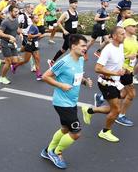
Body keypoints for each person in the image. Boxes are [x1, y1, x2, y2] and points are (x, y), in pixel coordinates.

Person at [41, 34, 92, 169]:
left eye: (85, 46)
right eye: (82, 46)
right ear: (73, 46)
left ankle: (47, 151)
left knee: (64, 129)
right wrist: (61, 85)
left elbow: (76, 77)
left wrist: (85, 81)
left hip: (72, 102)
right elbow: (45, 76)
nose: (85, 48)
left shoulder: (80, 59)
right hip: (62, 103)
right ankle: (56, 152)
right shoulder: (64, 62)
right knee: (76, 133)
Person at [93, 26, 126, 142]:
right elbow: (97, 68)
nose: (124, 35)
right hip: (106, 82)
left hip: (115, 81)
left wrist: (123, 69)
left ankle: (90, 110)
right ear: (115, 36)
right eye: (122, 34)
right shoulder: (108, 49)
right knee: (116, 110)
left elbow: (117, 62)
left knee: (118, 103)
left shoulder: (121, 46)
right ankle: (105, 132)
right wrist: (114, 72)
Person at [115, 19, 138, 126]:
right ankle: (120, 116)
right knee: (131, 94)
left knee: (123, 93)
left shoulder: (134, 37)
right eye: (133, 26)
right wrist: (128, 57)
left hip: (130, 68)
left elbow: (134, 52)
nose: (135, 28)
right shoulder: (122, 40)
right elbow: (115, 55)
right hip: (123, 69)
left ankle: (100, 97)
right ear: (126, 27)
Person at [48, 0, 80, 67]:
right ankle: (72, 65)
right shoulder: (66, 13)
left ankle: (52, 61)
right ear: (70, 4)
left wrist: (80, 25)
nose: (76, 5)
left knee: (63, 50)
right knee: (74, 50)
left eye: (76, 3)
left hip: (74, 34)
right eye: (74, 3)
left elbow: (75, 23)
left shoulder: (76, 13)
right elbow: (58, 22)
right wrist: (64, 30)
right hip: (68, 35)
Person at [11, 14, 43, 80]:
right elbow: (29, 36)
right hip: (30, 45)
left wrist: (40, 36)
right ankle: (14, 66)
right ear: (33, 19)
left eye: (38, 18)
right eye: (36, 18)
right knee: (25, 60)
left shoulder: (35, 26)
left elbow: (35, 37)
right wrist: (38, 34)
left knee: (37, 59)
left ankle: (38, 74)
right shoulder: (32, 27)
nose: (38, 19)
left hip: (35, 45)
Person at [0, 4, 22, 85]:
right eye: (15, 11)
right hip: (5, 43)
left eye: (18, 11)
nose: (17, 13)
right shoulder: (5, 21)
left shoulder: (16, 19)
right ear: (10, 12)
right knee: (9, 62)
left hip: (12, 43)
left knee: (15, 61)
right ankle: (2, 78)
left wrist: (19, 33)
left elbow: (16, 29)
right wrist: (9, 36)